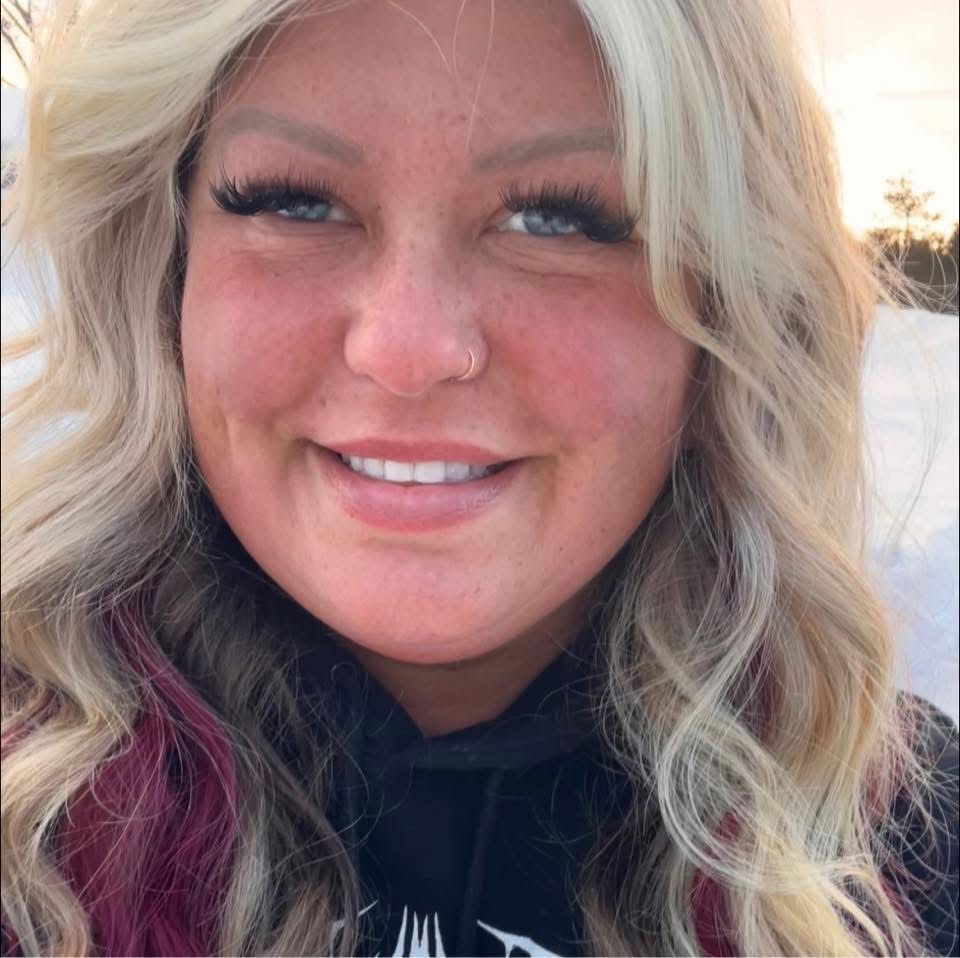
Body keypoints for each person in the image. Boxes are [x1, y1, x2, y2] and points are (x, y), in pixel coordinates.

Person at [1, 0, 957, 955]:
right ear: (166, 271)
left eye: (555, 219)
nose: (406, 350)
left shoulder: (914, 861)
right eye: (294, 202)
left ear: (724, 309)